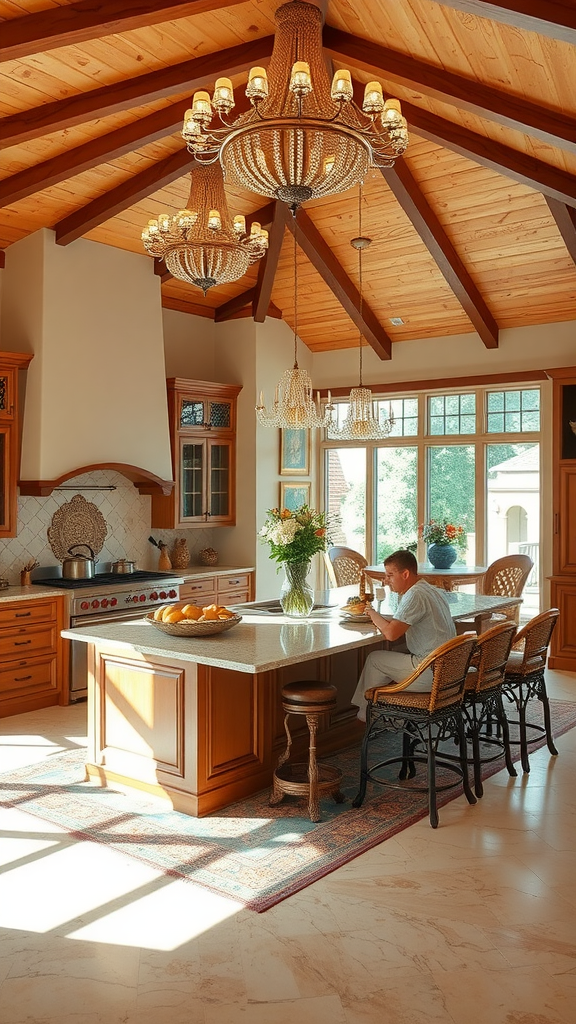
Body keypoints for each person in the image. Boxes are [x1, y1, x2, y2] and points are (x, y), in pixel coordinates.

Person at [351, 549, 456, 721]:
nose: (386, 581)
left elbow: (391, 634)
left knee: (374, 659)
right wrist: (380, 618)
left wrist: (370, 612)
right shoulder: (430, 589)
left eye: (390, 575)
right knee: (382, 659)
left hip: (431, 673)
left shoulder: (414, 594)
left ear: (405, 574)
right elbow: (401, 621)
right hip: (451, 671)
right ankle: (379, 714)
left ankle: (367, 718)